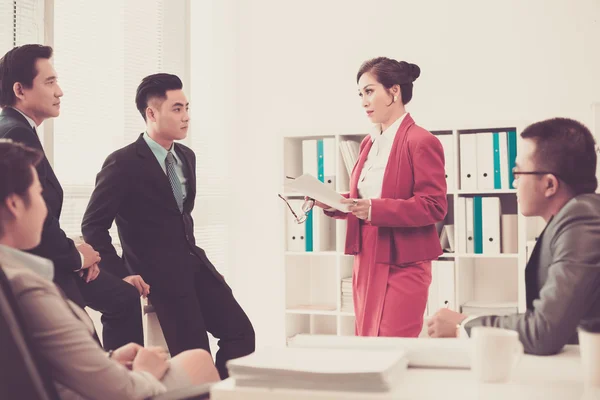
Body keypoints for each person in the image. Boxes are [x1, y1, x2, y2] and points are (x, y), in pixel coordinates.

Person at [0, 139, 219, 399]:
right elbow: (120, 391)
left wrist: (109, 358)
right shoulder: (28, 288)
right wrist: (146, 371)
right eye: (38, 194)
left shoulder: (14, 276)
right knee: (198, 361)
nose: (45, 208)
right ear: (14, 205)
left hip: (81, 381)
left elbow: (46, 360)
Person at [81, 73, 255, 379]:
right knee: (195, 356)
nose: (186, 117)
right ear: (151, 113)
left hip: (195, 266)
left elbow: (180, 219)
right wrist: (122, 273)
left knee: (241, 334)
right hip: (159, 277)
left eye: (187, 107)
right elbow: (93, 226)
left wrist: (205, 268)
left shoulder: (186, 156)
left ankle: (220, 394)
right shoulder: (122, 163)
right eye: (177, 109)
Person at [0, 44, 143, 350]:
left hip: (52, 255)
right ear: (20, 90)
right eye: (50, 82)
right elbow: (28, 221)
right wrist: (78, 258)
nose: (60, 91)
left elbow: (43, 217)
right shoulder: (16, 134)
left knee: (125, 297)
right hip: (39, 266)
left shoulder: (16, 128)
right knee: (90, 338)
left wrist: (79, 252)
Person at [428, 117, 600, 355]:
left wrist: (464, 324)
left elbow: (544, 331)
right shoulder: (573, 216)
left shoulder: (582, 218)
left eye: (518, 173)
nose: (513, 182)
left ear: (549, 184)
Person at [315, 57, 447, 337]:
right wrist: (332, 202)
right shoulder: (369, 142)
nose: (363, 101)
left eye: (370, 91)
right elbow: (364, 198)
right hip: (366, 256)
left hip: (402, 260)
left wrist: (374, 210)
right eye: (360, 94)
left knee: (392, 345)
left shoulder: (421, 141)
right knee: (367, 343)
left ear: (394, 92)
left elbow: (434, 206)